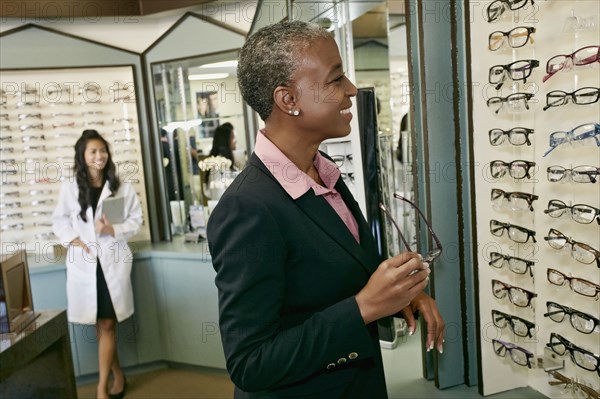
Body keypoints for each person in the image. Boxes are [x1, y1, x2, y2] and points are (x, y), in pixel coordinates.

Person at [207, 20, 445, 398]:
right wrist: (365, 307)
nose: (351, 90)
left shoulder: (324, 174)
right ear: (289, 100)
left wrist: (399, 294)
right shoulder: (247, 208)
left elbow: (336, 280)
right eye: (336, 80)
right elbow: (250, 363)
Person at [52, 129, 142, 399]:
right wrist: (74, 240)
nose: (99, 156)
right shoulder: (70, 187)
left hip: (112, 262)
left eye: (102, 150)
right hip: (86, 265)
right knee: (101, 324)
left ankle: (101, 388)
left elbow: (136, 220)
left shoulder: (121, 185)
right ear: (82, 155)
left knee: (106, 324)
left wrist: (113, 230)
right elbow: (59, 221)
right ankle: (118, 374)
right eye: (93, 151)